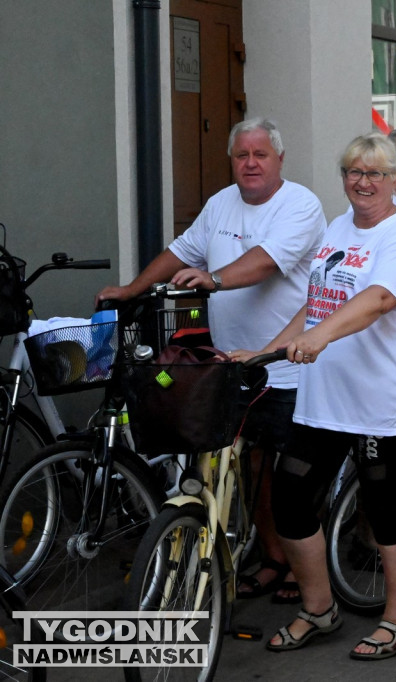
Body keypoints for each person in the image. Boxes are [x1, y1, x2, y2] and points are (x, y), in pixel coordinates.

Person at [96, 116, 326, 605]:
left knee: (284, 478)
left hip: (288, 364)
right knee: (246, 469)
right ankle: (273, 559)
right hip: (230, 365)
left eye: (260, 154)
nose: (250, 163)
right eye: (241, 155)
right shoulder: (220, 203)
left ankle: (305, 574)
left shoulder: (300, 205)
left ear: (279, 159)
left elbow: (266, 262)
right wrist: (132, 290)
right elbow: (181, 250)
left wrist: (214, 279)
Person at [244, 132, 396, 658]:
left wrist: (320, 336)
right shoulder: (338, 226)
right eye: (354, 172)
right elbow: (320, 301)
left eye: (375, 173)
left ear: (394, 179)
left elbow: (377, 300)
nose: (363, 182)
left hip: (379, 399)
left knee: (386, 509)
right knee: (292, 500)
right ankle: (320, 609)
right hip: (322, 396)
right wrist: (268, 351)